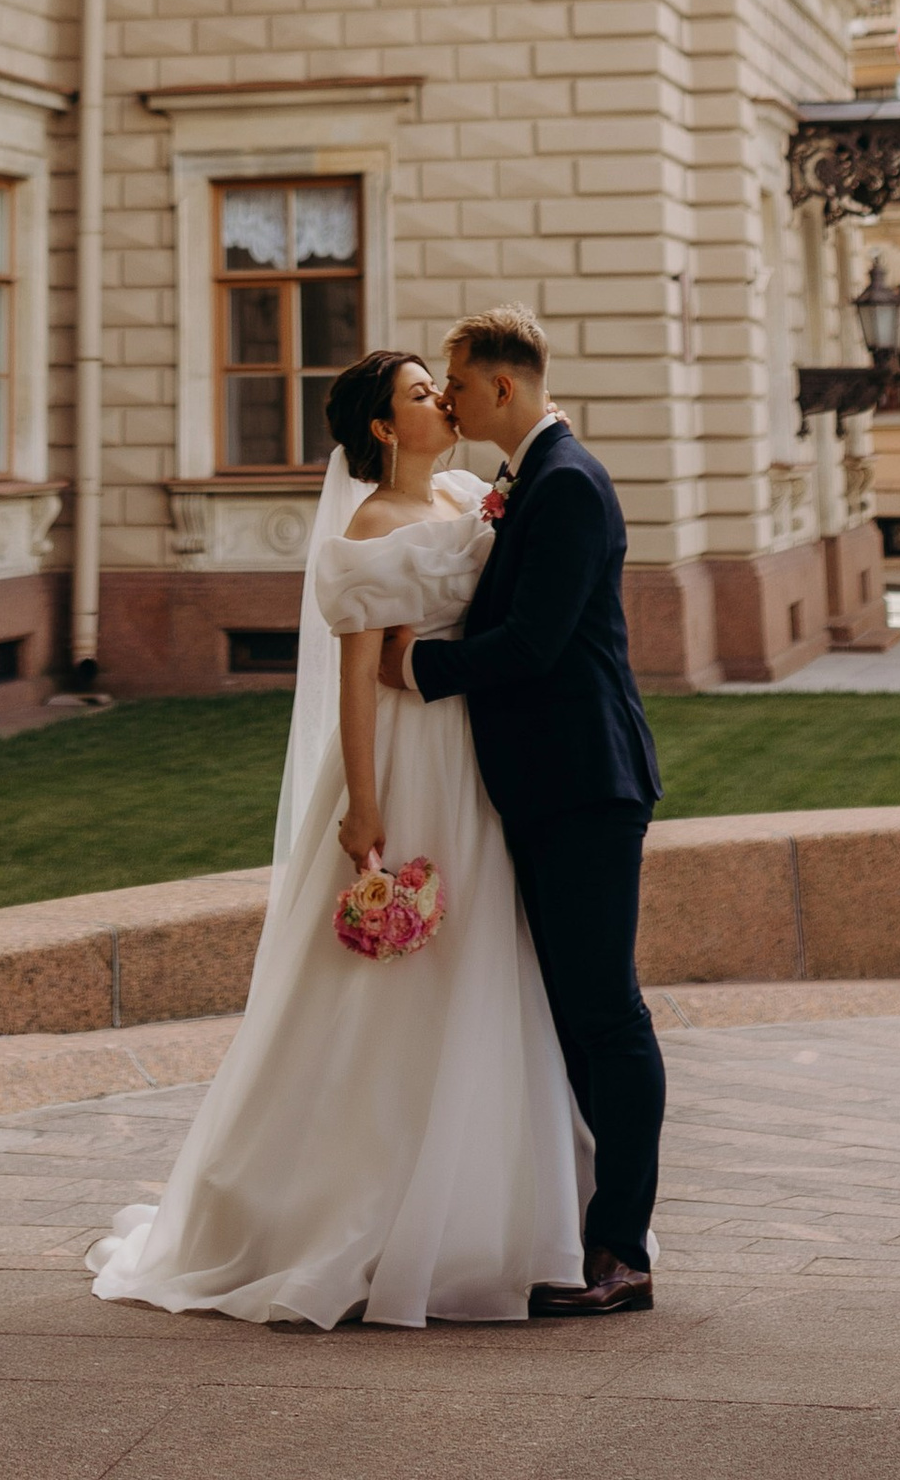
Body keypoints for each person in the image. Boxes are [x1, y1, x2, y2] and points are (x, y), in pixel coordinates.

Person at [85, 346, 588, 1328]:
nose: (439, 400)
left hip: (471, 751)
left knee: (482, 957)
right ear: (383, 428)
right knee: (387, 985)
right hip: (406, 757)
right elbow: (359, 679)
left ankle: (485, 1204)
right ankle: (344, 1204)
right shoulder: (368, 526)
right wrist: (365, 808)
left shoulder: (459, 494)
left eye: (436, 388)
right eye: (417, 393)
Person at [381, 303, 666, 1319]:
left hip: (586, 782)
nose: (449, 402)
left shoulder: (569, 485)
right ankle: (587, 1227)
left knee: (606, 1014)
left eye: (455, 385)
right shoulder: (529, 479)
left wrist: (415, 666)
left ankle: (622, 1251)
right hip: (547, 784)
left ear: (501, 388)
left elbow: (536, 644)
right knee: (575, 1015)